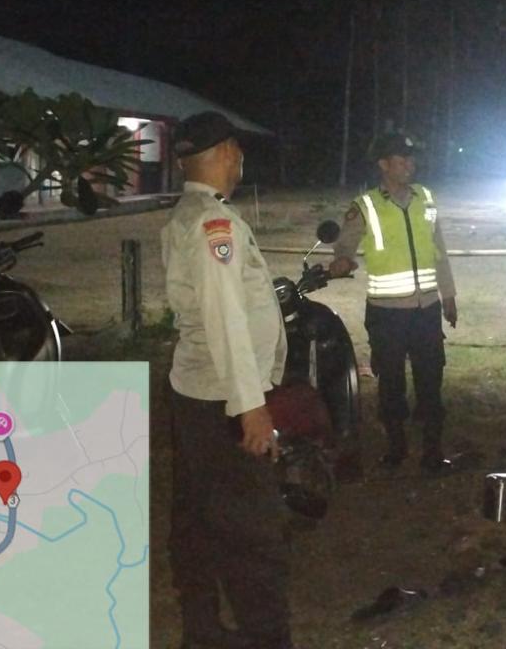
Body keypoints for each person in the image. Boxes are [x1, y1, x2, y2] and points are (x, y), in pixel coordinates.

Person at [163, 111, 294, 649]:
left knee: (197, 518)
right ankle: (266, 638)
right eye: (238, 153)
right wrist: (250, 406)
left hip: (195, 393)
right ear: (227, 152)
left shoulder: (189, 212)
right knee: (253, 530)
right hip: (221, 399)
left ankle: (201, 628)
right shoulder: (213, 223)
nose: (240, 161)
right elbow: (226, 318)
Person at [329, 131, 458, 473]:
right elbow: (344, 246)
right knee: (391, 382)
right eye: (402, 160)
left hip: (426, 311)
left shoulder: (426, 198)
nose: (410, 165)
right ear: (383, 165)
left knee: (431, 378)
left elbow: (439, 250)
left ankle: (432, 451)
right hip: (386, 313)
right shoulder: (365, 206)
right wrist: (342, 261)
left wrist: (448, 295)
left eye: (412, 159)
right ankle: (396, 448)